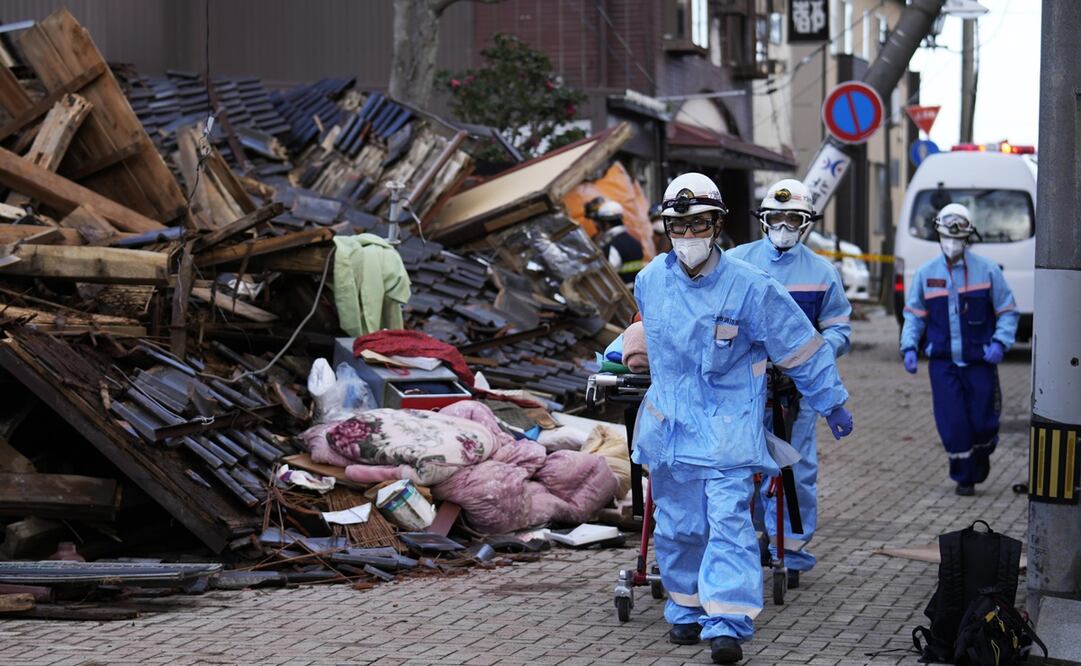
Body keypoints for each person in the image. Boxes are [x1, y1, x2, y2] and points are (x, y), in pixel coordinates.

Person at [633, 172, 854, 663]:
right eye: (679, 226)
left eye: (699, 224)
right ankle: (686, 607)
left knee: (730, 525)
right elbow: (648, 340)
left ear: (718, 224)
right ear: (667, 228)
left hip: (728, 432)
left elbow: (800, 347)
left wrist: (831, 401)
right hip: (671, 432)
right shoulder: (650, 282)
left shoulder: (751, 287)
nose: (688, 235)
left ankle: (728, 623)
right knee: (678, 527)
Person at [727, 178, 852, 589]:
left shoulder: (822, 273)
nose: (783, 227)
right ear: (763, 220)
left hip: (798, 392)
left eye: (792, 219)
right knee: (742, 467)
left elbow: (838, 327)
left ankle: (792, 550)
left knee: (796, 469)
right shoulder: (735, 263)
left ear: (806, 223)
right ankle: (749, 543)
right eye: (776, 218)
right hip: (743, 389)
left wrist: (814, 357)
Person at [899, 203, 1018, 496]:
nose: (952, 242)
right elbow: (914, 315)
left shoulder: (987, 271)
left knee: (983, 422)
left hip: (980, 362)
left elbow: (1007, 311)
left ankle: (982, 451)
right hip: (943, 364)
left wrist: (1000, 342)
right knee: (952, 423)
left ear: (968, 237)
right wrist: (909, 346)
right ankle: (964, 477)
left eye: (958, 237)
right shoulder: (926, 274)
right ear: (938, 236)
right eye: (947, 236)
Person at [585, 197, 645, 283]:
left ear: (606, 224)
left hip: (625, 290)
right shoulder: (635, 242)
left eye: (599, 222)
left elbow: (608, 277)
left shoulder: (613, 246)